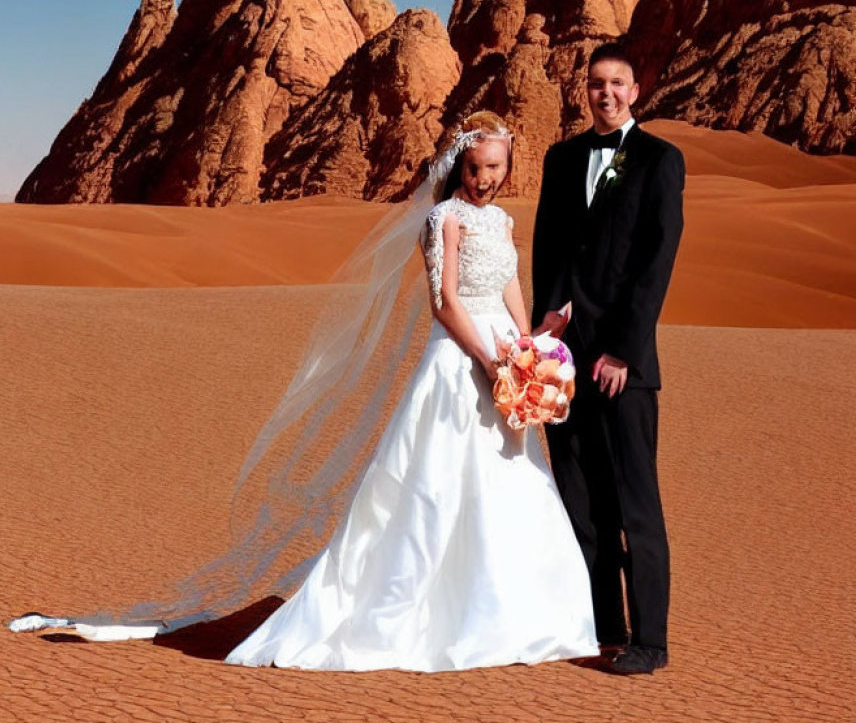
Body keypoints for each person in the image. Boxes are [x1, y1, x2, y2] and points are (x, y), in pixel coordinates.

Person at [224, 111, 599, 671]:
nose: (484, 179)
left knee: (508, 474)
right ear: (459, 166)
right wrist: (490, 357)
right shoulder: (443, 219)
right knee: (437, 479)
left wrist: (528, 346)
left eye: (494, 167)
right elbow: (444, 302)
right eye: (474, 168)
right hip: (459, 357)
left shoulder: (500, 222)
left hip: (502, 354)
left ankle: (512, 611)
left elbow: (508, 285)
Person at [531, 43, 685, 675]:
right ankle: (602, 626)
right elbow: (549, 247)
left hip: (624, 363)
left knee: (634, 505)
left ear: (635, 89)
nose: (606, 93)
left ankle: (649, 642)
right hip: (566, 363)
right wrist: (547, 327)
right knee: (581, 501)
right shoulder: (562, 158)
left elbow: (656, 260)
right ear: (584, 90)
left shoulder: (659, 160)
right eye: (596, 83)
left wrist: (623, 348)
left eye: (617, 83)